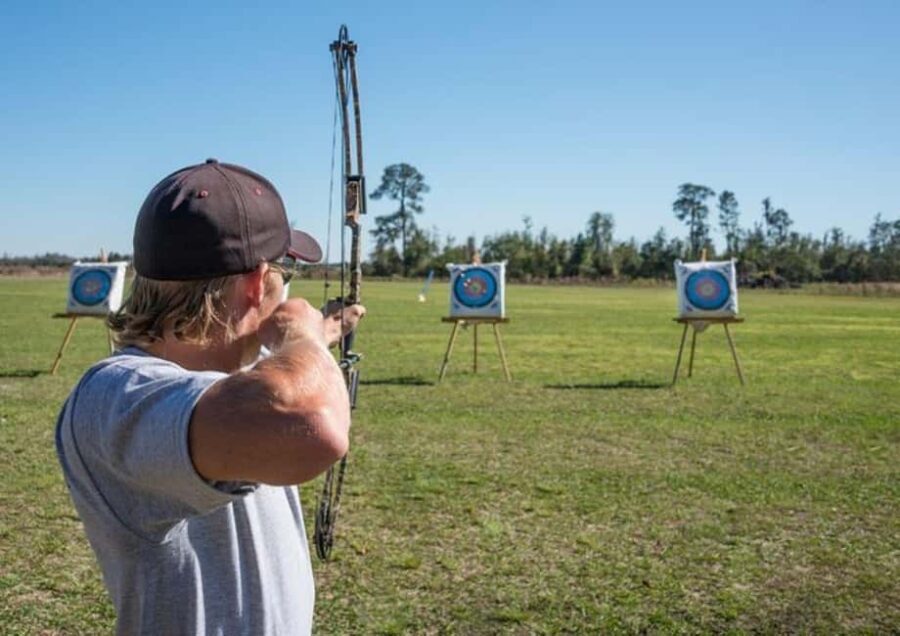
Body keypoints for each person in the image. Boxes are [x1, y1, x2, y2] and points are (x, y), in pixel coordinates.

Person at [55, 159, 364, 635]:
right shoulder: (115, 396)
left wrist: (320, 334)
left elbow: (251, 384)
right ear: (258, 285)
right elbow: (312, 423)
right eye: (286, 279)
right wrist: (302, 339)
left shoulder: (236, 377)